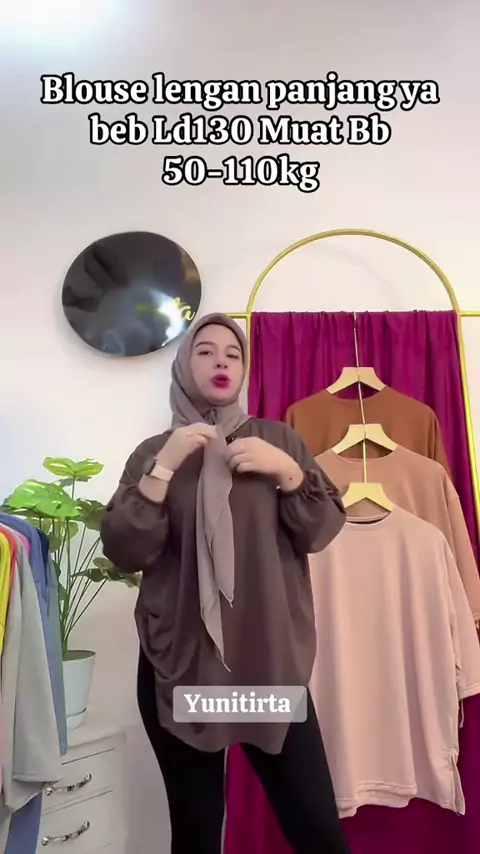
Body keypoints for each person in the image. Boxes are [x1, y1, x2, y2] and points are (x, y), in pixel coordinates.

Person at [100, 313, 350, 854]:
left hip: (264, 666)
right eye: (206, 351)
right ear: (183, 365)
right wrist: (164, 467)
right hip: (185, 668)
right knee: (196, 831)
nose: (221, 361)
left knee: (316, 829)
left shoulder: (278, 440)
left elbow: (321, 530)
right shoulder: (153, 452)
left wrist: (288, 473)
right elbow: (125, 550)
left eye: (233, 354)